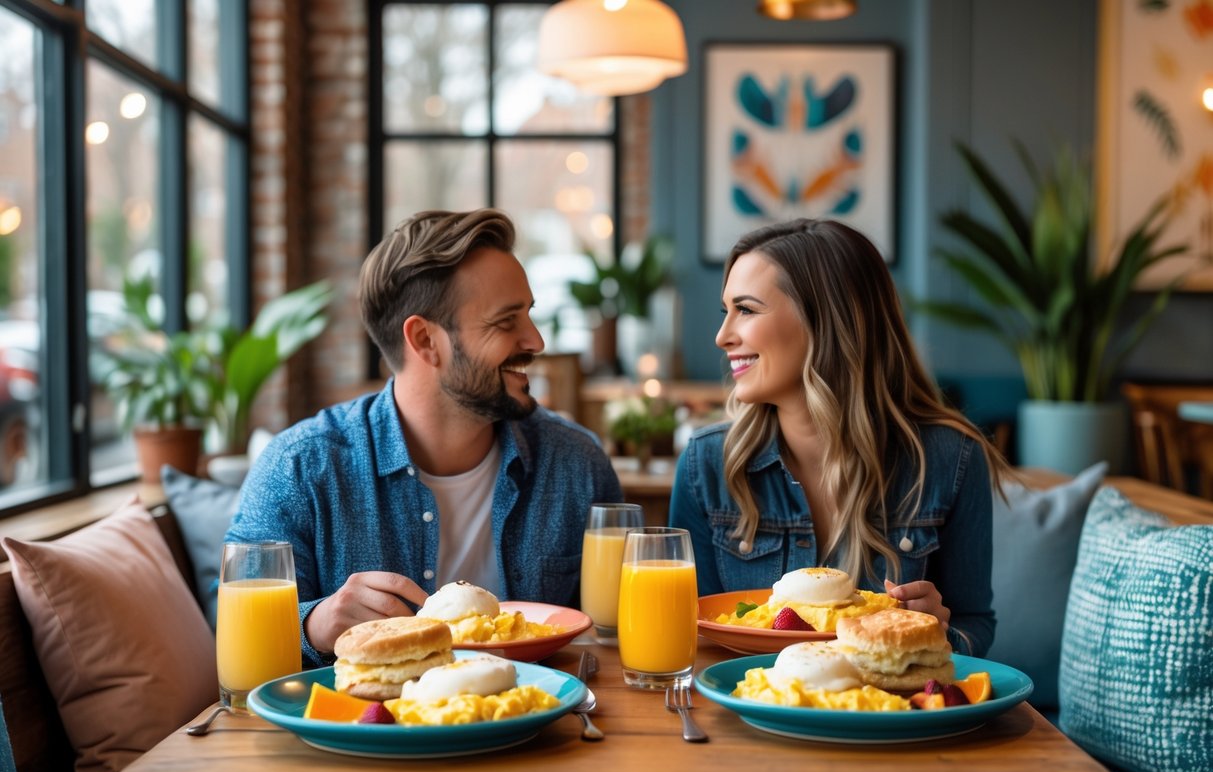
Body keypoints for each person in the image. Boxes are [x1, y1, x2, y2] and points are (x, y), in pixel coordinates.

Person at [228, 208, 623, 667]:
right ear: (425, 341)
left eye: (529, 315)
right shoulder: (299, 467)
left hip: (540, 731)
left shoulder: (577, 464)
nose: (535, 341)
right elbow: (235, 621)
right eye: (506, 321)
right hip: (365, 734)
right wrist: (314, 624)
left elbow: (614, 643)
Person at [669, 218, 1010, 659]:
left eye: (747, 310)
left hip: (886, 720)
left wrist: (940, 631)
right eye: (726, 311)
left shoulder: (951, 460)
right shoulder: (708, 464)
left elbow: (973, 625)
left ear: (825, 321)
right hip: (751, 712)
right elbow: (695, 633)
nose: (722, 336)